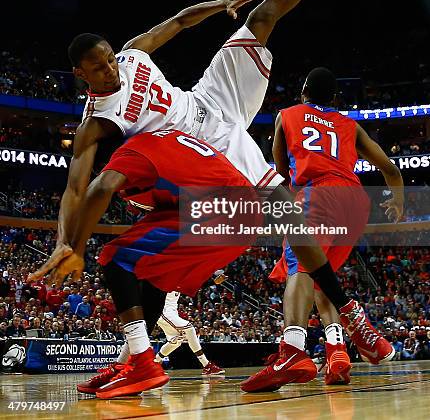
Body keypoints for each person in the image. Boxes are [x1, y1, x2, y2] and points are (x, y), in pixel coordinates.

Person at [49, 0, 355, 270]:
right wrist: (65, 241)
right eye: (98, 68)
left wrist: (220, 3)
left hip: (208, 99)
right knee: (281, 202)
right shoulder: (95, 121)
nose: (110, 69)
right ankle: (329, 299)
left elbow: (178, 21)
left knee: (259, 20)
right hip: (199, 148)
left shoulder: (131, 55)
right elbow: (76, 188)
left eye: (110, 59)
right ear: (80, 74)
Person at [31, 129, 394, 398]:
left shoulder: (132, 153)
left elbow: (97, 189)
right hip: (280, 201)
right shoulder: (174, 133)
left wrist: (73, 245)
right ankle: (132, 362)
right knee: (152, 277)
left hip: (231, 201)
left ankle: (144, 361)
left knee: (114, 257)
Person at [241, 67, 404, 392]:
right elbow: (390, 169)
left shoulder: (287, 115)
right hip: (355, 202)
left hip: (317, 195)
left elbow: (282, 173)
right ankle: (337, 351)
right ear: (334, 98)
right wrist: (397, 201)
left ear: (303, 91)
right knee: (321, 279)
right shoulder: (350, 125)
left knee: (299, 270)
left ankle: (292, 351)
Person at [154, 291, 223, 375]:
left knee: (175, 342)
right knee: (189, 328)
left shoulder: (180, 281)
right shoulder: (167, 279)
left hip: (172, 311)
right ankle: (206, 365)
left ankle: (154, 363)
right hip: (165, 311)